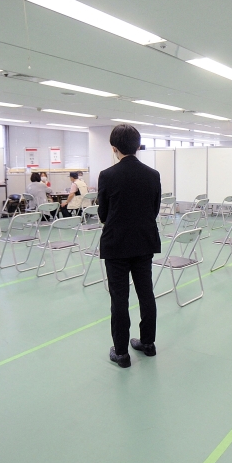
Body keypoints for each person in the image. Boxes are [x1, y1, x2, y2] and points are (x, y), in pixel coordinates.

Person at [97, 124, 162, 368]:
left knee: (119, 298)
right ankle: (148, 343)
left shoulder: (107, 175)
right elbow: (154, 209)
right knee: (146, 294)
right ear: (138, 146)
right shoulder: (152, 174)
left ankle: (122, 353)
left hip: (117, 245)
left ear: (114, 148)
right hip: (144, 241)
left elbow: (103, 213)